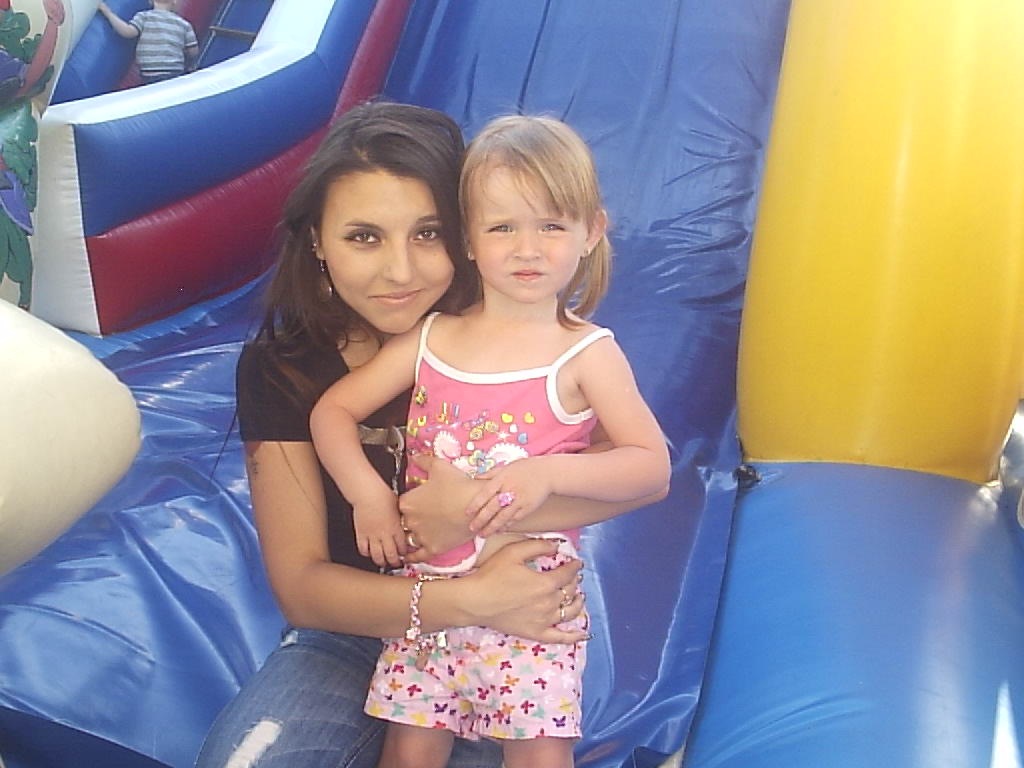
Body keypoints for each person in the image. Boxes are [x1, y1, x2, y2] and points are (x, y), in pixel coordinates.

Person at [194, 102, 665, 768]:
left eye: (427, 233)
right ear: (318, 241)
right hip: (360, 629)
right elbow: (302, 586)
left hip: (518, 616)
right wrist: (464, 595)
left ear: (461, 235)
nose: (400, 271)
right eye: (364, 237)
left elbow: (635, 477)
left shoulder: (523, 344)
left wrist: (469, 517)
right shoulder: (295, 366)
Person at [97, 0, 197, 85]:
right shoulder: (184, 24)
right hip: (174, 73)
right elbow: (193, 51)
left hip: (150, 75)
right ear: (175, 2)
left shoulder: (144, 17)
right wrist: (190, 65)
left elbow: (127, 32)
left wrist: (108, 13)